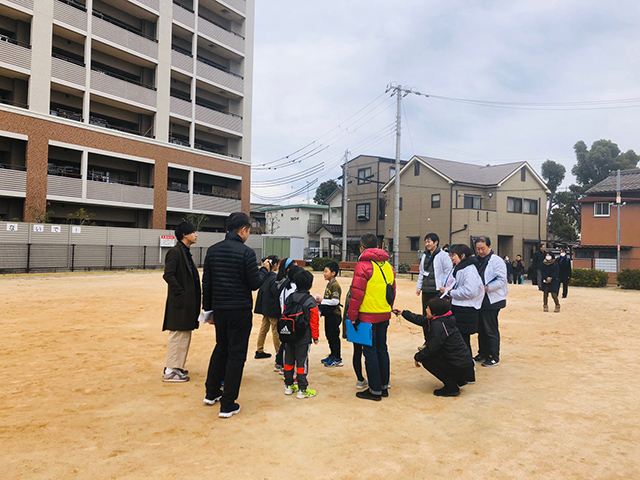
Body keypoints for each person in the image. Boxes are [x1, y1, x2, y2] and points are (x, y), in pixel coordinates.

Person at [202, 212, 271, 418]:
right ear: (243, 230)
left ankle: (211, 392)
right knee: (236, 354)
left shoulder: (213, 250)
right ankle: (228, 403)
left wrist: (208, 311)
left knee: (221, 349)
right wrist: (265, 270)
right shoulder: (246, 253)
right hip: (239, 310)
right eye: (248, 231)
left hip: (219, 310)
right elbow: (254, 283)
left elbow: (207, 284)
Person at [393, 297, 475, 397]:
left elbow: (432, 348)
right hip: (464, 364)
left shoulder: (438, 326)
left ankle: (451, 387)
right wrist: (403, 313)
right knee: (434, 355)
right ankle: (459, 380)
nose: (426, 310)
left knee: (427, 360)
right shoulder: (444, 319)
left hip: (460, 366)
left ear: (434, 313)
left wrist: (418, 357)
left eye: (428, 308)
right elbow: (421, 320)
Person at [348, 233, 396, 401]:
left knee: (370, 353)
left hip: (367, 316)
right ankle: (383, 386)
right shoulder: (388, 266)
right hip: (384, 314)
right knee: (382, 349)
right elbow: (392, 292)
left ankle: (374, 390)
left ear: (362, 247)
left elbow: (356, 294)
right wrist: (388, 308)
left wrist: (352, 316)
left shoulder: (362, 266)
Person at [161, 222, 201, 383]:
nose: (196, 234)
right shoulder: (175, 252)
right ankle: (170, 370)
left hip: (186, 302)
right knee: (178, 334)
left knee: (184, 334)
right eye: (193, 232)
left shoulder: (184, 251)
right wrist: (181, 293)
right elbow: (168, 275)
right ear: (184, 234)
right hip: (180, 302)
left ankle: (176, 366)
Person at [439, 244, 483, 354]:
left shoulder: (469, 270)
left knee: (463, 340)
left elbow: (470, 292)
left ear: (462, 256)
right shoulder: (461, 268)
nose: (451, 258)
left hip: (466, 310)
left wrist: (451, 292)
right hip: (460, 308)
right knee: (460, 339)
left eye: (453, 255)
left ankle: (466, 362)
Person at [282, 270, 320, 399]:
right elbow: (314, 321)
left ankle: (288, 386)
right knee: (302, 361)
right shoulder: (310, 301)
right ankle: (302, 389)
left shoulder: (290, 297)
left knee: (288, 360)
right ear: (310, 284)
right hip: (303, 337)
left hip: (289, 335)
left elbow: (284, 314)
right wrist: (315, 336)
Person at [474, 236, 508, 367]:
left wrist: (487, 287)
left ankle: (494, 356)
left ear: (489, 247)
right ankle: (482, 352)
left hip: (492, 299)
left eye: (483, 248)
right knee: (481, 328)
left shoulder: (497, 261)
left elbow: (501, 279)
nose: (480, 251)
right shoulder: (476, 260)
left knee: (490, 328)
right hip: (480, 299)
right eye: (478, 249)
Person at [416, 233, 453, 316]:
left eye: (429, 242)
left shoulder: (443, 255)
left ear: (436, 242)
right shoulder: (425, 256)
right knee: (426, 312)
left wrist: (444, 286)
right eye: (426, 242)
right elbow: (421, 272)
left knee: (436, 312)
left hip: (437, 290)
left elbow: (448, 272)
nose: (427, 244)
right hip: (426, 290)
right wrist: (419, 287)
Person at [254, 255, 281, 360]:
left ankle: (259, 349)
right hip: (272, 308)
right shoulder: (274, 278)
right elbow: (276, 294)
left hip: (264, 307)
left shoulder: (263, 276)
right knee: (275, 330)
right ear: (275, 265)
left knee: (264, 328)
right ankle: (279, 353)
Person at [316, 261, 342, 367]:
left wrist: (322, 300)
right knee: (329, 336)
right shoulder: (329, 284)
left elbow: (335, 301)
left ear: (333, 273)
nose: (324, 273)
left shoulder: (335, 285)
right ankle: (332, 354)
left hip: (334, 315)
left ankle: (337, 358)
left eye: (326, 271)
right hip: (329, 314)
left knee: (334, 336)